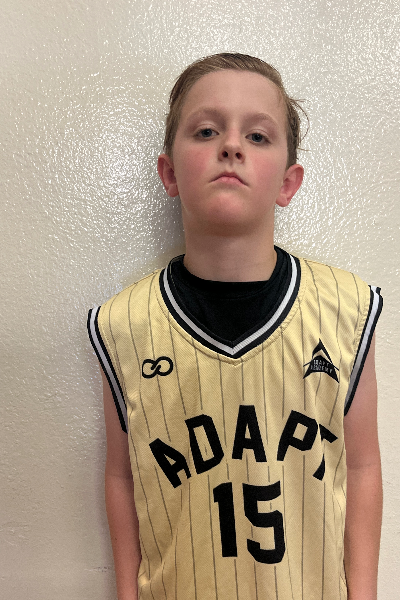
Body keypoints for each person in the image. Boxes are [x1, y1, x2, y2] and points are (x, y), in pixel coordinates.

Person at [87, 52, 383, 600]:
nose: (231, 146)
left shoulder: (347, 309)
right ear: (169, 173)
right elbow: (123, 476)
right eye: (206, 131)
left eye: (258, 136)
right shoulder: (122, 324)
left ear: (288, 183)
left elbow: (362, 466)